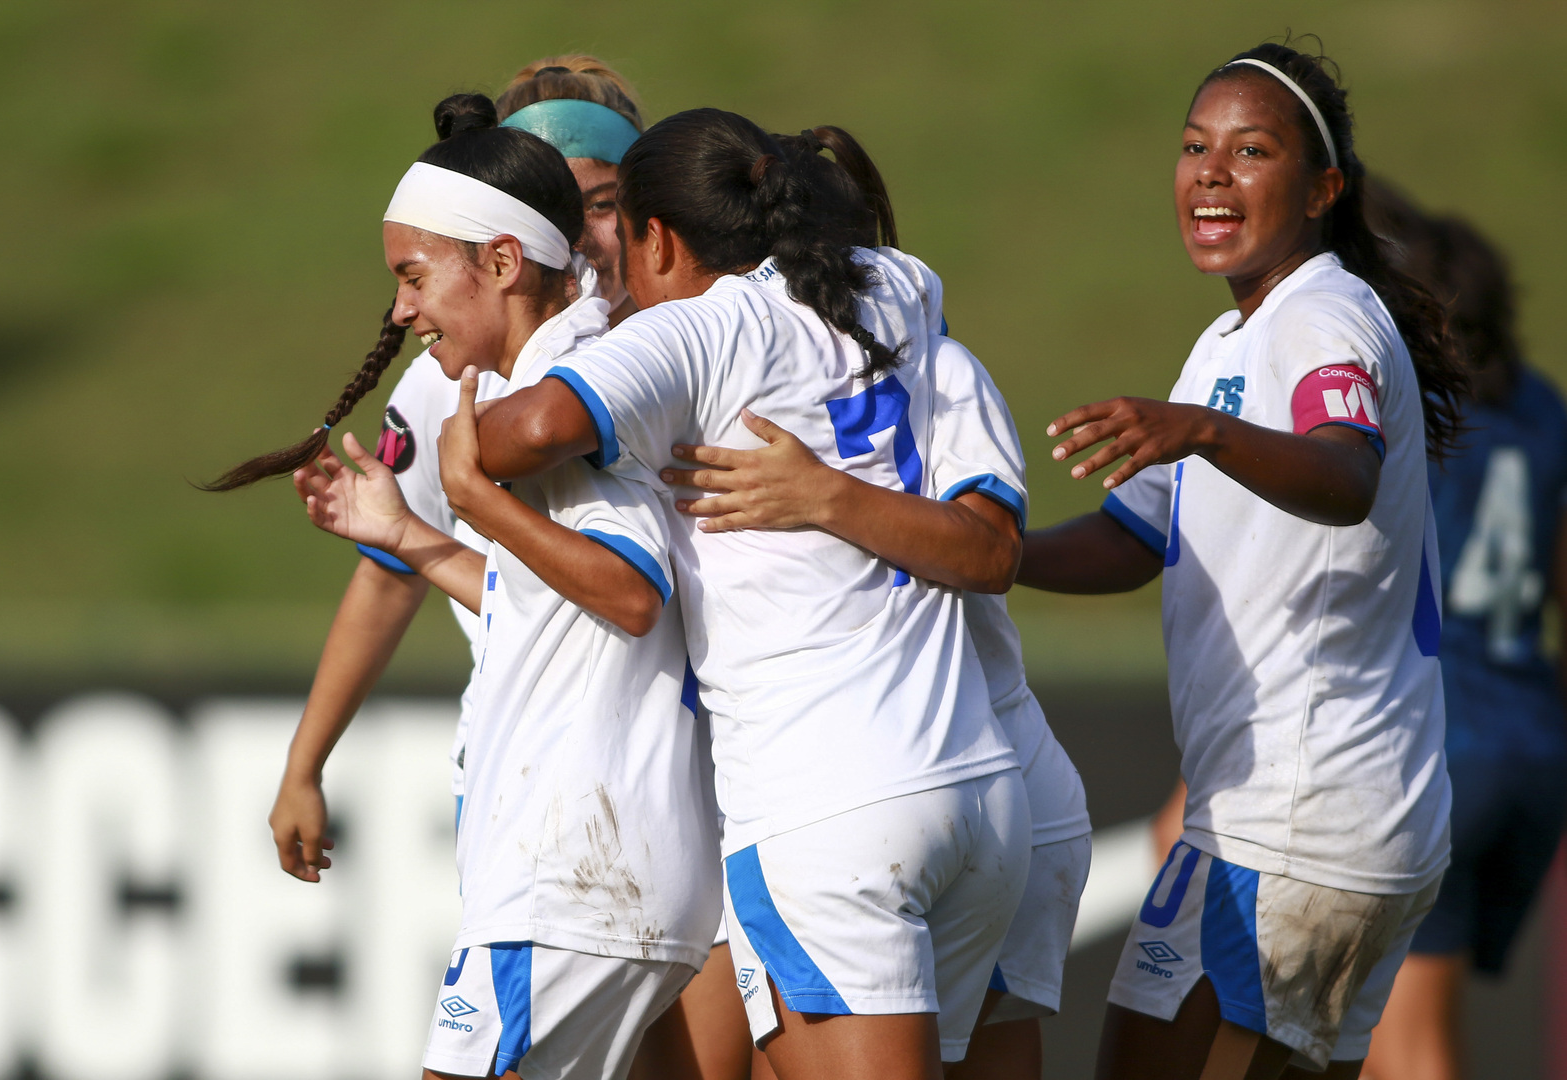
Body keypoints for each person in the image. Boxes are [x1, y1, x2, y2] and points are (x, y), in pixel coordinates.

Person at [453, 108, 1034, 1080]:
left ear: (662, 237)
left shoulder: (703, 328)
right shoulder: (889, 288)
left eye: (625, 240)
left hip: (829, 808)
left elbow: (537, 424)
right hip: (977, 792)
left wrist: (466, 458)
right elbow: (987, 544)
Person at [1014, 42, 1465, 1079]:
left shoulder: (1321, 316)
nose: (1210, 171)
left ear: (1323, 189)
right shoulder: (1229, 347)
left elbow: (1343, 475)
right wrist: (994, 558)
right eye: (1193, 147)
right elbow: (1134, 538)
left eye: (1251, 149)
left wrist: (1200, 434)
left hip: (1295, 822)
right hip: (1328, 818)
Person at [283, 92, 723, 1078]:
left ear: (502, 263)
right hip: (587, 879)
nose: (400, 309)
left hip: (574, 877)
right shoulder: (543, 390)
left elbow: (631, 592)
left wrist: (473, 496)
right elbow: (556, 611)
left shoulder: (570, 400)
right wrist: (414, 534)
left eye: (412, 276)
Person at [659, 128, 1092, 1080]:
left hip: (893, 781)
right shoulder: (918, 368)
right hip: (987, 781)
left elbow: (989, 552)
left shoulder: (880, 378)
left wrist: (822, 494)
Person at [201, 54, 648, 892]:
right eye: (564, 207)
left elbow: (639, 596)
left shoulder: (696, 348)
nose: (585, 237)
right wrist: (304, 764)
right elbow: (391, 575)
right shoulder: (447, 383)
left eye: (605, 205)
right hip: (538, 773)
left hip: (682, 770)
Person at [1357, 192, 1567, 1080]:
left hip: (1435, 744)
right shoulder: (1542, 409)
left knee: (1406, 1043)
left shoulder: (1416, 413)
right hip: (1532, 740)